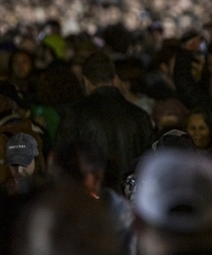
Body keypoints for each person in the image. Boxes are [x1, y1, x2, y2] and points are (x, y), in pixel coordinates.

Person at [57, 52, 154, 193]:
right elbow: (149, 160)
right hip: (131, 197)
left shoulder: (75, 114)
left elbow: (64, 160)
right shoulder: (140, 116)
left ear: (86, 81)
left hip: (92, 197)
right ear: (114, 79)